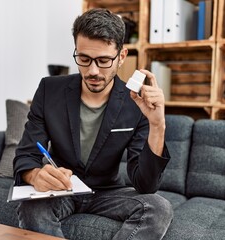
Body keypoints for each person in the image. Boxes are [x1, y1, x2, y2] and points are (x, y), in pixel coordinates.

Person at [13, 8, 173, 240]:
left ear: (121, 56)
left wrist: (158, 125)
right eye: (84, 59)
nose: (93, 71)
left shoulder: (135, 103)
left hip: (107, 192)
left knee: (158, 208)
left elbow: (145, 184)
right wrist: (35, 175)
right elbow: (26, 154)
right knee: (30, 207)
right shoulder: (50, 90)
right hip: (61, 189)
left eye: (104, 60)